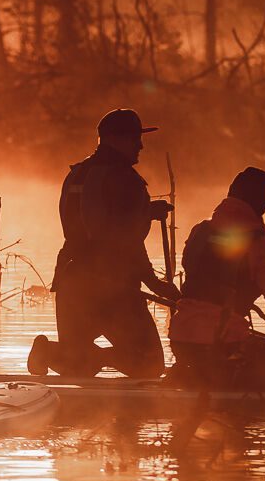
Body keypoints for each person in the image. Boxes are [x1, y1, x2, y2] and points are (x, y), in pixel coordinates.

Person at [28, 109, 177, 379]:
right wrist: (153, 282)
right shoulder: (125, 179)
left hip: (71, 281)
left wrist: (144, 211)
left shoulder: (77, 175)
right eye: (135, 138)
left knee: (77, 367)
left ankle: (52, 353)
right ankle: (59, 354)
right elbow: (121, 239)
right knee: (149, 364)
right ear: (116, 139)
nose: (140, 146)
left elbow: (83, 228)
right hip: (111, 286)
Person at [168, 167, 265, 392]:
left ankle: (193, 373)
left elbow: (197, 278)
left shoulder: (199, 232)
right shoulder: (258, 243)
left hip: (181, 341)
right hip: (224, 344)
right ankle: (218, 380)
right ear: (262, 203)